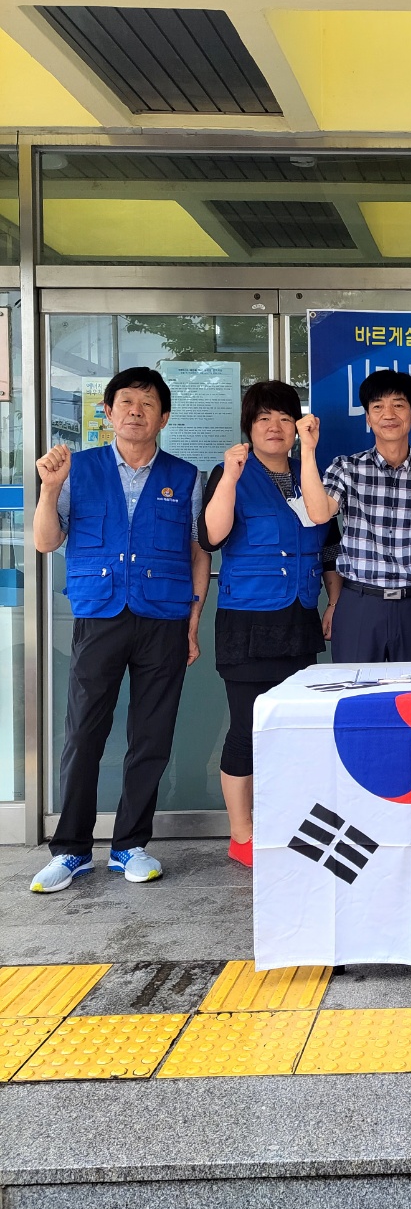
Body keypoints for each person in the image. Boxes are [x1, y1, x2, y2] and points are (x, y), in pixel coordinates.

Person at [30, 367, 210, 893]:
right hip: (99, 614)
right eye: (126, 402)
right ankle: (70, 850)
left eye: (148, 404)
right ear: (107, 411)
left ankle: (130, 845)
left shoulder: (186, 476)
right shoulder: (76, 469)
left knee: (151, 734)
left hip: (164, 617)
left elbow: (198, 552)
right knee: (84, 732)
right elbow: (45, 541)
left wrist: (194, 619)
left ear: (164, 417)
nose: (136, 411)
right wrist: (49, 489)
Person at [198, 381, 341, 868]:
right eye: (263, 418)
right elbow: (211, 536)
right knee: (246, 728)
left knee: (294, 729)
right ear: (249, 427)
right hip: (248, 623)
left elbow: (329, 546)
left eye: (284, 417)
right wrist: (230, 479)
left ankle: (288, 823)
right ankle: (242, 834)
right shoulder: (231, 472)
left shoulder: (309, 475)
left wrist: (334, 601)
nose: (274, 427)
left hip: (299, 618)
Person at [296, 370, 411, 663]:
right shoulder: (346, 468)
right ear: (368, 418)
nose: (388, 414)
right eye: (378, 407)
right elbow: (319, 513)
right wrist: (308, 450)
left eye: (398, 405)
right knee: (355, 688)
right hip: (360, 604)